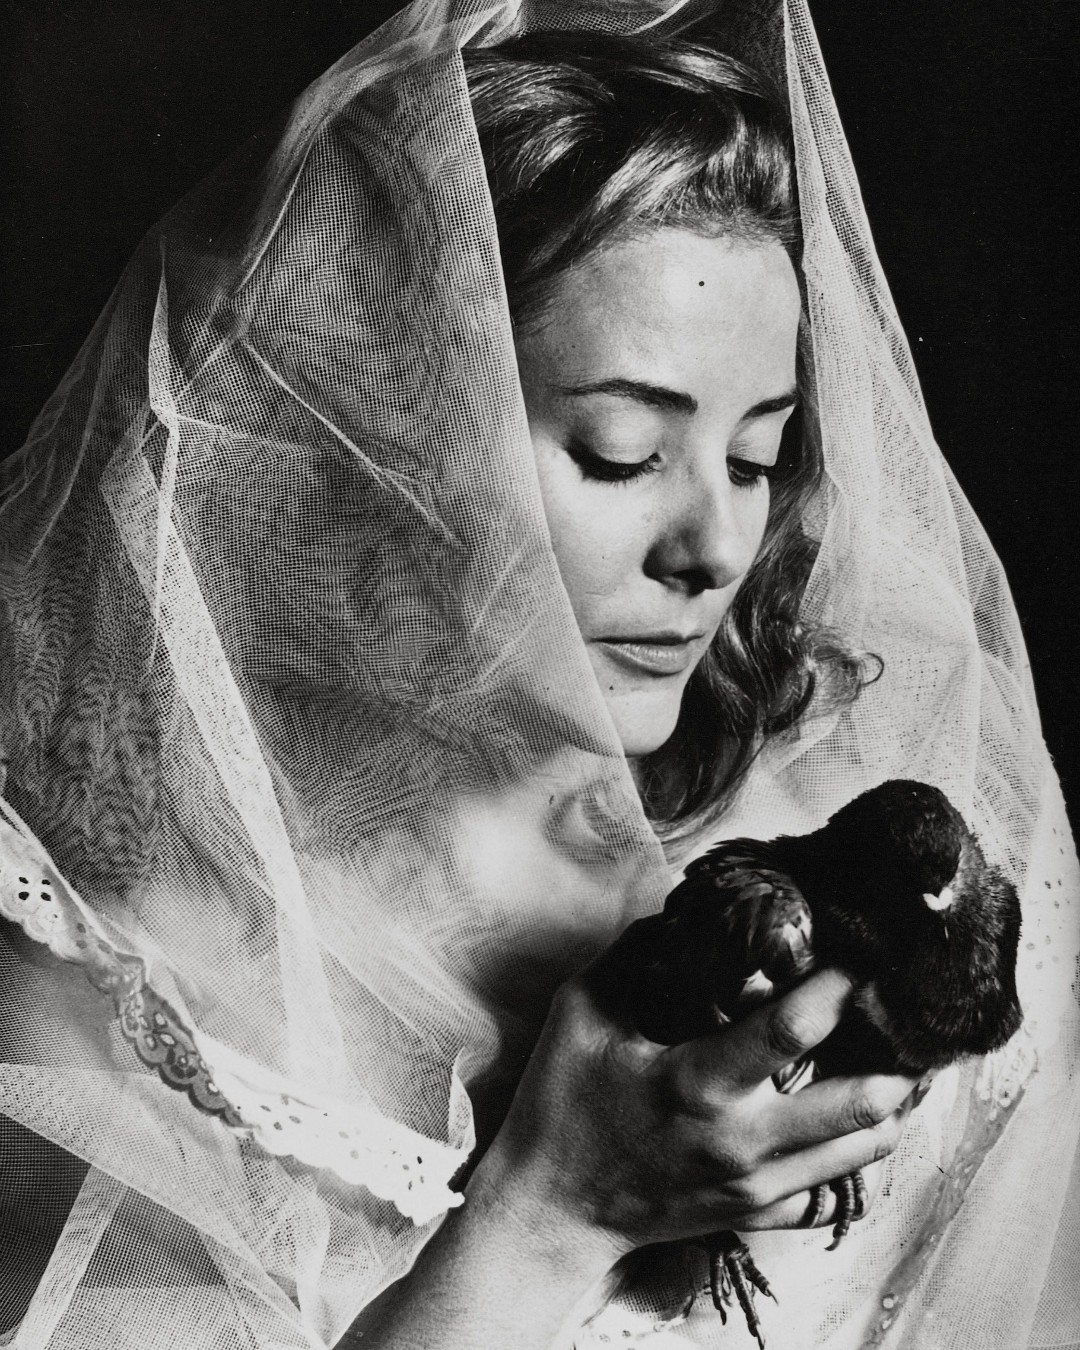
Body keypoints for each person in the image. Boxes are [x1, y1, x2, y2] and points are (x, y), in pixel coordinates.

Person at [0, 2, 1076, 1349]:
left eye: (758, 457)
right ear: (378, 445)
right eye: (623, 453)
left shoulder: (895, 835)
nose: (715, 548)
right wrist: (554, 1208)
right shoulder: (120, 1000)